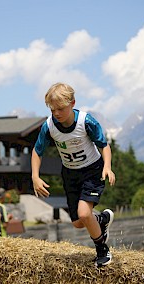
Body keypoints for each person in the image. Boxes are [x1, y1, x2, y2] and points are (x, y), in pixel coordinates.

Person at [31, 82, 116, 268]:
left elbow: (104, 146)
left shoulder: (86, 122)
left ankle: (103, 250)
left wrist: (107, 167)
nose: (57, 113)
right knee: (78, 222)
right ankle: (101, 220)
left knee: (85, 214)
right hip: (69, 174)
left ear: (72, 103)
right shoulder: (49, 126)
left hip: (92, 170)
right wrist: (35, 177)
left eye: (60, 108)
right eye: (52, 110)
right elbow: (37, 152)